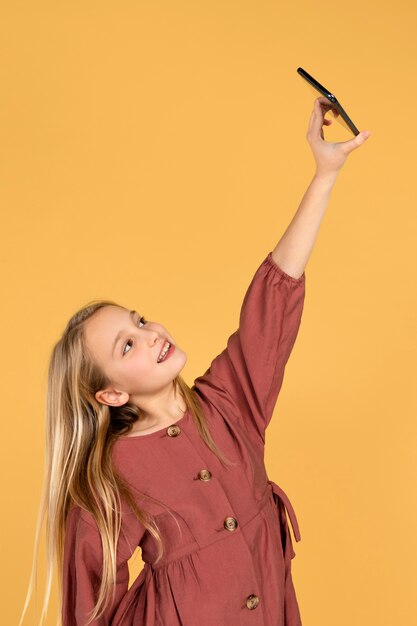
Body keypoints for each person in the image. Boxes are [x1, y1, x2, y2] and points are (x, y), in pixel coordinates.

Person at [19, 97, 371, 626]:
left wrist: (324, 175)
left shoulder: (229, 403)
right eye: (127, 345)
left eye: (138, 321)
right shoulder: (108, 478)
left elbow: (273, 300)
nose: (150, 332)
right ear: (111, 394)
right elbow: (91, 605)